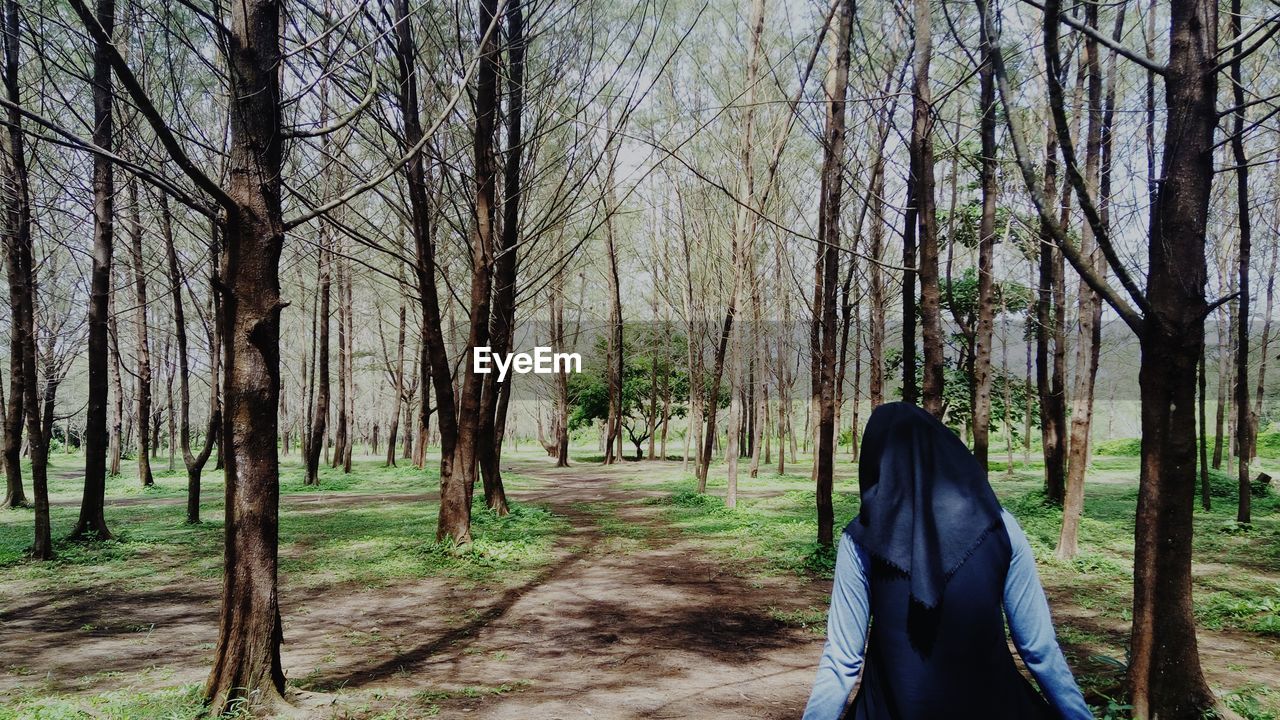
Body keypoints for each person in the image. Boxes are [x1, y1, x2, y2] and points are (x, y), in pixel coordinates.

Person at [802, 402, 1092, 720]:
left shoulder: (859, 539)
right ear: (943, 451)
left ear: (876, 461)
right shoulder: (1001, 525)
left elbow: (842, 658)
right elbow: (1039, 647)